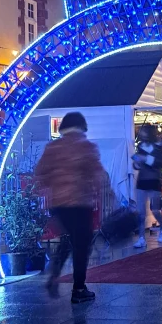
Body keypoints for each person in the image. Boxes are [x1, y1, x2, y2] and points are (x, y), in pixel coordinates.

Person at [35, 111, 103, 303]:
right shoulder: (86, 147)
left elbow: (40, 172)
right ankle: (79, 289)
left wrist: (47, 191)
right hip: (81, 202)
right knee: (82, 246)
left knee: (67, 238)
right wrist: (102, 195)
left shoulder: (52, 147)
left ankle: (55, 273)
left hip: (58, 203)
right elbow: (97, 173)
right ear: (83, 127)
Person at [132, 124, 162, 248]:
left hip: (154, 181)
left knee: (155, 209)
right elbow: (136, 165)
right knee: (141, 212)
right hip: (142, 181)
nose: (142, 134)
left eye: (144, 132)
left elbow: (161, 163)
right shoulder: (140, 147)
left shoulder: (159, 148)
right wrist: (136, 163)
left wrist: (145, 159)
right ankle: (141, 238)